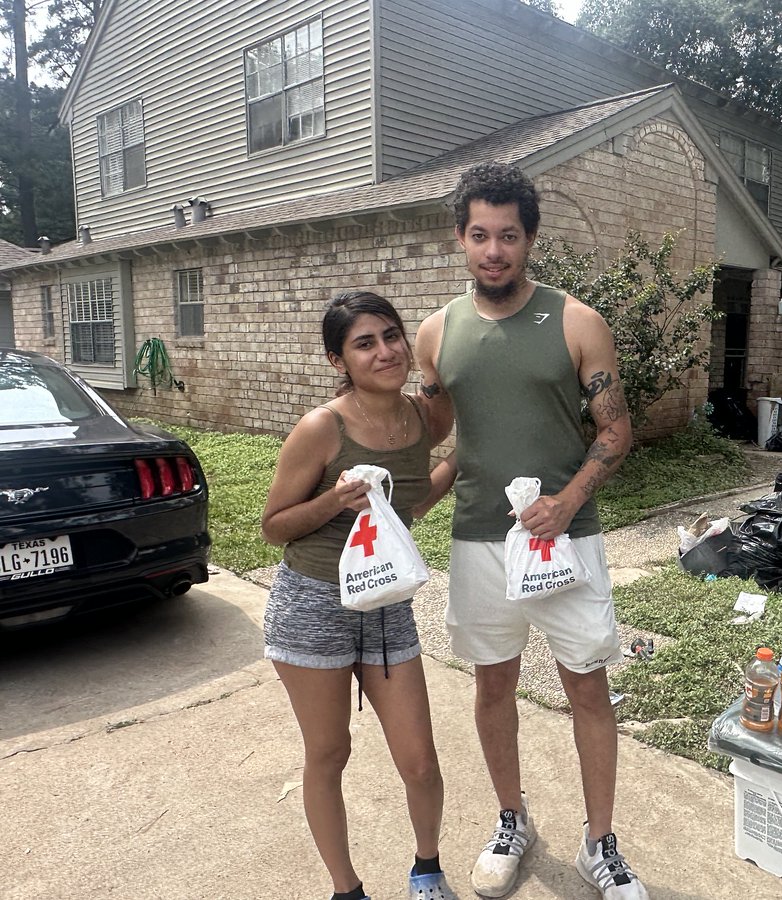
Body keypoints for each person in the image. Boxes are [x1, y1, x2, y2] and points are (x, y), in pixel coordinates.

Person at [415, 162, 648, 900]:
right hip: (480, 539)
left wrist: (570, 500)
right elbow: (443, 434)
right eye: (479, 235)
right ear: (460, 238)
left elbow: (616, 430)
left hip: (565, 538)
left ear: (530, 238)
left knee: (587, 686)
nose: (493, 250)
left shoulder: (577, 322)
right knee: (494, 684)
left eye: (507, 235)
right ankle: (511, 820)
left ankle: (600, 845)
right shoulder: (435, 333)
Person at [261, 291, 459, 900]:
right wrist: (332, 502)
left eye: (391, 336)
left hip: (386, 604)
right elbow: (273, 527)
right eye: (364, 343)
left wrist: (464, 461)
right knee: (329, 753)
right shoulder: (322, 427)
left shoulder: (425, 418)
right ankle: (346, 890)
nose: (385, 351)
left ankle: (427, 868)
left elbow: (411, 502)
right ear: (337, 360)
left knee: (420, 760)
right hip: (312, 605)